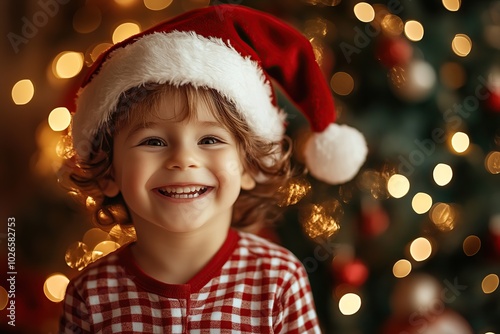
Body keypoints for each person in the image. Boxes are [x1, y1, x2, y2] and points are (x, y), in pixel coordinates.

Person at [59, 4, 367, 333]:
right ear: (108, 172)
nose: (183, 159)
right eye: (153, 142)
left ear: (250, 165)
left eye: (209, 140)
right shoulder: (90, 296)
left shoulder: (278, 280)